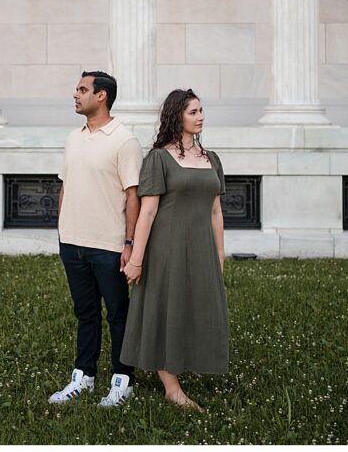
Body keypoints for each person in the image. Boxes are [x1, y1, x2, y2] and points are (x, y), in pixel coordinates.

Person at [121, 88, 229, 410]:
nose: (200, 117)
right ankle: (171, 387)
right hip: (167, 248)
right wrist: (137, 259)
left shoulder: (212, 159)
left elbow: (216, 213)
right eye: (193, 112)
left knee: (195, 308)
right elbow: (147, 212)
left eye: (201, 111)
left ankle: (183, 363)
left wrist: (219, 258)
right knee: (165, 309)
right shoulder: (159, 158)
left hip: (201, 250)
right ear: (176, 116)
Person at [49, 71, 142, 407]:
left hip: (109, 246)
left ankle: (123, 379)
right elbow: (65, 184)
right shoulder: (74, 138)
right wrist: (63, 230)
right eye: (76, 88)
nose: (75, 94)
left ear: (101, 96)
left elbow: (134, 196)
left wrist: (129, 244)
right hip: (72, 243)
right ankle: (83, 377)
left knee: (118, 314)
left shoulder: (125, 140)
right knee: (85, 313)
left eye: (82, 89)